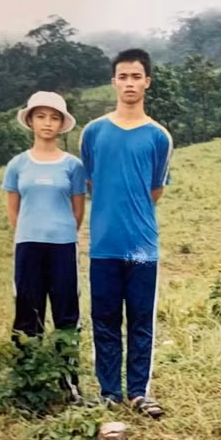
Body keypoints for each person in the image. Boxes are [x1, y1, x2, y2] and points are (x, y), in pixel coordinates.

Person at [79, 48, 173, 419]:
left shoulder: (159, 137)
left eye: (136, 76)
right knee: (104, 319)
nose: (129, 83)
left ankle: (138, 392)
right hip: (103, 246)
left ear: (147, 81)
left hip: (141, 249)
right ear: (113, 81)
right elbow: (90, 182)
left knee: (139, 320)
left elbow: (155, 190)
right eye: (123, 76)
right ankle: (109, 392)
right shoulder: (93, 132)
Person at [2, 90, 86, 405]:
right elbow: (14, 210)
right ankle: (28, 384)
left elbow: (78, 211)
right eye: (41, 116)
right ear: (31, 121)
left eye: (54, 117)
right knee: (27, 313)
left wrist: (60, 230)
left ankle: (70, 384)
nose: (47, 123)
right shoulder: (17, 165)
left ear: (62, 123)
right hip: (28, 247)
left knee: (66, 314)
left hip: (63, 246)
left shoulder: (73, 166)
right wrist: (32, 230)